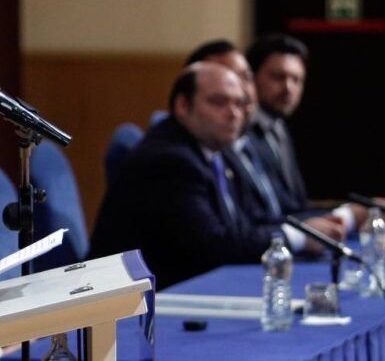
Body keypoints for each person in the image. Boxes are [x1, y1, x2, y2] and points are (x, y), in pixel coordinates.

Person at [89, 63, 341, 289]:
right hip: (134, 306)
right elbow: (212, 244)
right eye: (219, 102)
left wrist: (305, 228)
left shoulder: (214, 151)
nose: (234, 114)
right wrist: (295, 237)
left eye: (239, 104)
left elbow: (245, 223)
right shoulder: (170, 159)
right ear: (183, 105)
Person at [244, 34, 365, 231]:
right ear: (252, 77)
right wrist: (346, 216)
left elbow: (296, 206)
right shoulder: (241, 135)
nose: (288, 88)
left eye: (296, 79)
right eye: (278, 77)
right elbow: (273, 214)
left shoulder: (279, 127)